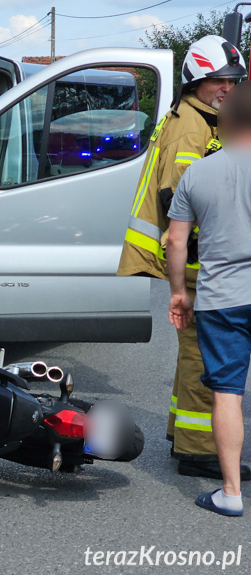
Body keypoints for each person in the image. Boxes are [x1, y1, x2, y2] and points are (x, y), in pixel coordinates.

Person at [117, 36, 249, 479]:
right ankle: (200, 450)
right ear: (198, 81)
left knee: (192, 350)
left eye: (234, 80)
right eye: (222, 82)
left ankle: (182, 433)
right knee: (203, 358)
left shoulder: (198, 116)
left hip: (197, 261)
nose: (230, 89)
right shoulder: (192, 128)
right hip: (199, 263)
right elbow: (183, 206)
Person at [166, 81, 251, 516]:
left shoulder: (199, 171)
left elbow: (176, 243)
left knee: (227, 395)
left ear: (224, 122)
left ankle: (231, 493)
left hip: (222, 298)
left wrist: (179, 293)